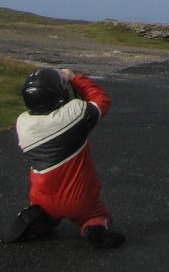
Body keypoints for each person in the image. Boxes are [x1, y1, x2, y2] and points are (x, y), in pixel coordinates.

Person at [1, 66, 125, 249]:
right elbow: (101, 100)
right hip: (78, 199)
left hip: (42, 197)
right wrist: (75, 79)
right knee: (96, 215)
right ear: (58, 95)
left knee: (47, 208)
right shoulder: (75, 113)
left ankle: (38, 217)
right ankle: (94, 230)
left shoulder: (23, 123)